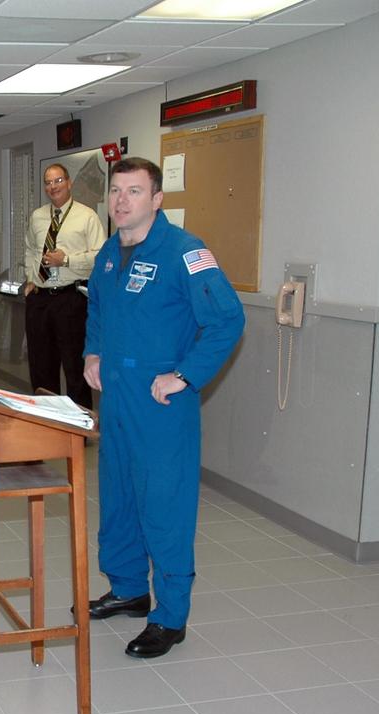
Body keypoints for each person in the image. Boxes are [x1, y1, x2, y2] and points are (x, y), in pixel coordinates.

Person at [82, 157, 245, 659]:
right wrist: (93, 351)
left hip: (160, 401)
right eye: (115, 191)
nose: (121, 200)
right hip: (118, 398)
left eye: (134, 191)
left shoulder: (185, 252)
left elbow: (227, 321)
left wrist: (185, 374)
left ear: (157, 200)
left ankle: (170, 616)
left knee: (164, 505)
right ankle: (129, 587)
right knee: (119, 497)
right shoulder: (110, 252)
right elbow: (97, 309)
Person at [23, 163, 105, 407]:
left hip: (71, 299)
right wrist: (30, 279)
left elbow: (101, 256)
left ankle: (78, 426)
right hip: (39, 299)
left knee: (74, 366)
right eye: (48, 182)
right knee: (40, 366)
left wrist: (66, 259)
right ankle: (46, 422)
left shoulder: (87, 216)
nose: (52, 187)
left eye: (58, 181)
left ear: (69, 183)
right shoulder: (38, 216)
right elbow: (29, 248)